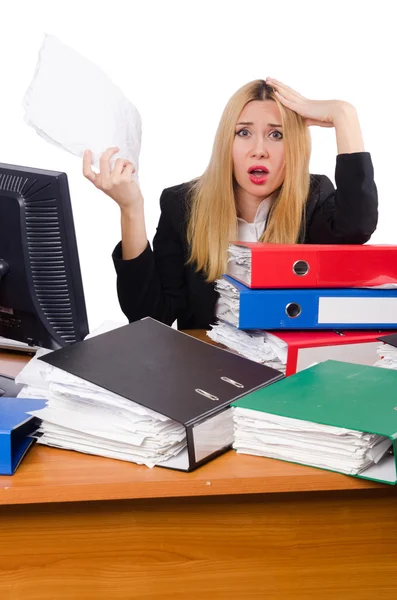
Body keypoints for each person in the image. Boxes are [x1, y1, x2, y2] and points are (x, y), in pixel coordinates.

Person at [83, 78, 378, 330]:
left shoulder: (312, 197)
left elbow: (357, 227)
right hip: (205, 374)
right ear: (228, 141)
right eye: (244, 132)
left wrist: (343, 115)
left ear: (295, 147)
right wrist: (131, 209)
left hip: (288, 376)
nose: (259, 150)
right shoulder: (182, 205)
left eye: (276, 135)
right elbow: (149, 316)